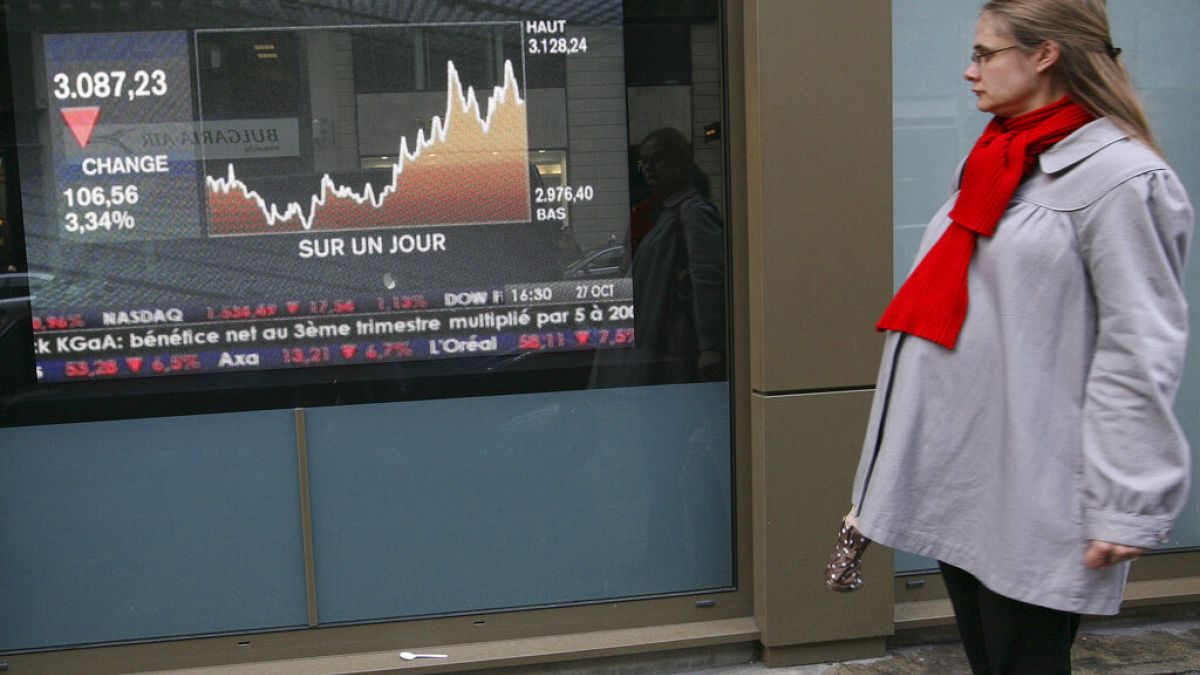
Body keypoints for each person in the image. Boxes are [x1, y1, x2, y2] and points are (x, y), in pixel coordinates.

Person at [849, 1, 1193, 673]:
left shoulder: (1124, 180)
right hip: (969, 470)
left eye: (985, 54)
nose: (969, 70)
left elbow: (1138, 349)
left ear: (1044, 55)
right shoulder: (999, 157)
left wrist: (1126, 500)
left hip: (1038, 481)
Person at [622, 127, 726, 384]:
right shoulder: (664, 212)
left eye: (658, 158)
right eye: (644, 161)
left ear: (681, 160)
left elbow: (707, 278)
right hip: (664, 336)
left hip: (679, 340)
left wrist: (710, 347)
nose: (649, 167)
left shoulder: (692, 211)